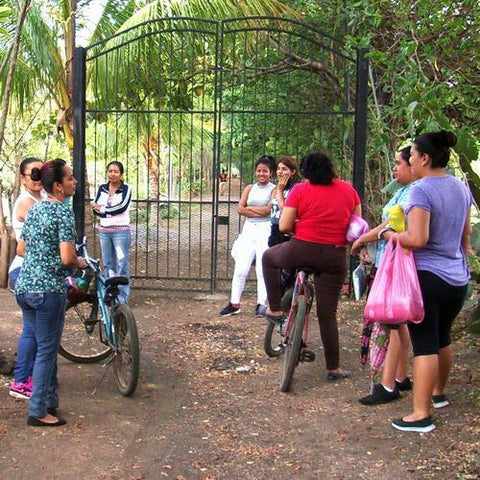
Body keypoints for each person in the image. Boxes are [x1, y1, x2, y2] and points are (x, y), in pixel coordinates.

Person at [386, 131, 472, 433]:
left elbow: (418, 239)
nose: (409, 160)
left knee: (424, 346)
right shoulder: (461, 187)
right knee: (442, 337)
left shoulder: (420, 191)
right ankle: (438, 394)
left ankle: (420, 415)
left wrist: (392, 235)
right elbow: (465, 238)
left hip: (427, 278)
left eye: (412, 155)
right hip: (457, 279)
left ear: (424, 158)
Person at [262, 152, 361, 381]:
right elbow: (356, 225)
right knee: (327, 314)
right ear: (331, 169)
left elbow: (285, 226)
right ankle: (333, 369)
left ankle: (275, 309)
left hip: (300, 248)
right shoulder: (348, 190)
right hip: (334, 256)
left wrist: (301, 225)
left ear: (304, 173)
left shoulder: (300, 190)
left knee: (269, 258)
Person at [15, 159, 88, 426]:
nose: (74, 182)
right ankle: (37, 412)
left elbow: (21, 249)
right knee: (46, 350)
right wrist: (81, 262)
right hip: (48, 292)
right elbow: (68, 258)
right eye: (70, 178)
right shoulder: (62, 213)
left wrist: (42, 256)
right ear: (58, 186)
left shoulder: (34, 210)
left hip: (25, 288)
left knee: (45, 346)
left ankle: (50, 402)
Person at [351, 147, 416, 404]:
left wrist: (365, 238)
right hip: (388, 259)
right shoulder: (402, 190)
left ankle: (389, 385)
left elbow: (390, 227)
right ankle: (400, 376)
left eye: (399, 164)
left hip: (399, 264)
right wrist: (367, 241)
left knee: (395, 321)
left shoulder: (415, 193)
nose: (395, 169)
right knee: (399, 323)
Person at [220, 156, 276, 317]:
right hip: (248, 230)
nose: (261, 174)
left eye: (265, 171)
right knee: (240, 269)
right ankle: (234, 303)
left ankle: (261, 304)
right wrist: (256, 210)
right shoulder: (249, 188)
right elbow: (240, 209)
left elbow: (268, 211)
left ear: (270, 173)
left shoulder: (273, 189)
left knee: (261, 269)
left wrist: (250, 209)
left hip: (265, 230)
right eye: (259, 171)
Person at [8, 157, 44, 400]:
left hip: (34, 271)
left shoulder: (40, 199)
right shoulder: (27, 203)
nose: (39, 178)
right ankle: (21, 381)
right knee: (32, 329)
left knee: (35, 329)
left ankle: (28, 377)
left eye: (43, 173)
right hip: (25, 271)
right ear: (22, 178)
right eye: (34, 174)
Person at [92, 161, 132, 304]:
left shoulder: (126, 188)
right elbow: (94, 209)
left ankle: (122, 297)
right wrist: (106, 212)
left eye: (116, 171)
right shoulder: (102, 188)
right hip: (104, 232)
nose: (112, 174)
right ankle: (109, 294)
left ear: (121, 174)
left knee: (122, 263)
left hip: (120, 232)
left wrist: (103, 210)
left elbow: (121, 207)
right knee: (108, 264)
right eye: (110, 171)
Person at [268, 157, 301, 247]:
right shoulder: (278, 187)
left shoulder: (296, 189)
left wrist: (279, 191)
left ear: (293, 172)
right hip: (274, 230)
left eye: (284, 169)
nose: (280, 172)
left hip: (287, 234)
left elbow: (285, 212)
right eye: (278, 169)